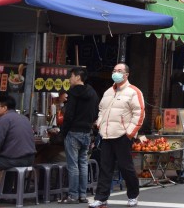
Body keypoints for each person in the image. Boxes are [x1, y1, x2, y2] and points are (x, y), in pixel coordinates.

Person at [89, 63, 145, 208]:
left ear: (126, 75)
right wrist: (100, 123)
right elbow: (101, 109)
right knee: (105, 167)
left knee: (125, 167)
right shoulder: (108, 92)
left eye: (119, 71)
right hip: (106, 135)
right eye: (114, 70)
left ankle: (133, 195)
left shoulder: (134, 92)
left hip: (122, 135)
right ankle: (101, 198)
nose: (116, 73)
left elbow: (139, 114)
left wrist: (130, 133)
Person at [60, 67, 99, 204]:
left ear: (77, 77)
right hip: (87, 132)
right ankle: (82, 195)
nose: (69, 79)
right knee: (83, 163)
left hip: (73, 132)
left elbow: (69, 115)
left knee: (73, 165)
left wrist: (62, 132)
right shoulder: (92, 92)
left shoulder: (73, 93)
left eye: (71, 76)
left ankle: (73, 195)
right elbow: (96, 113)